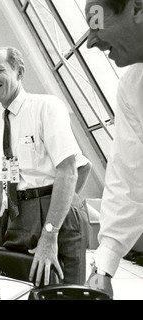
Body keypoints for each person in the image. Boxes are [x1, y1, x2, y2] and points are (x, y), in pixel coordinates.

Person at [0, 47, 89, 286]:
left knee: (61, 287)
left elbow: (71, 169)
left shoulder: (46, 107)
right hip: (17, 213)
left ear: (19, 72)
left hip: (53, 211)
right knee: (20, 284)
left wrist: (50, 232)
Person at [84, 0, 143, 298]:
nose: (91, 41)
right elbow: (129, 177)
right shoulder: (133, 87)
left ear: (137, 8)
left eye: (96, 23)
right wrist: (103, 267)